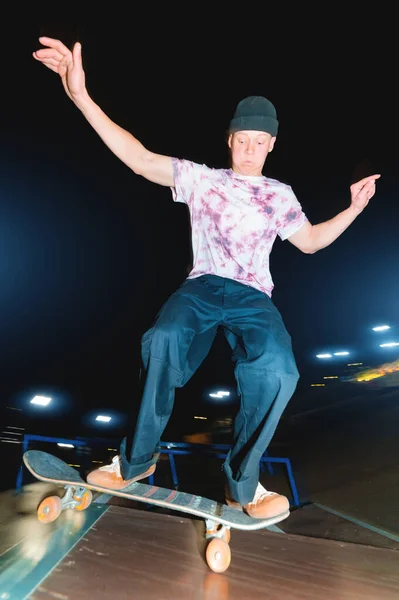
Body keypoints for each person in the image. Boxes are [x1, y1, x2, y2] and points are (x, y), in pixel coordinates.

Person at [33, 37, 380, 521]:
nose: (251, 150)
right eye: (243, 141)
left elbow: (310, 242)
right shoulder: (204, 180)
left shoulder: (279, 195)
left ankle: (245, 483)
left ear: (272, 145)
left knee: (278, 369)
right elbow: (139, 158)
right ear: (230, 139)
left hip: (253, 296)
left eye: (261, 143)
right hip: (201, 286)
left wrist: (354, 209)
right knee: (164, 339)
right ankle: (135, 462)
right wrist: (81, 96)